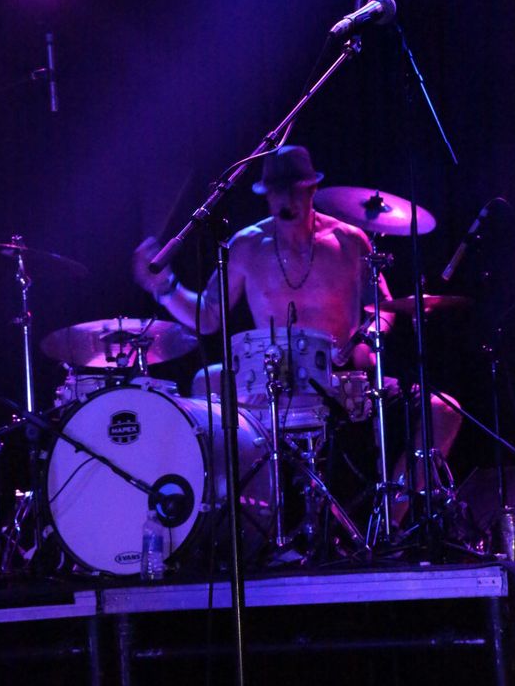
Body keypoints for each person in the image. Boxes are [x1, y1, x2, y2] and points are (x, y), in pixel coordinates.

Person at [133, 145, 461, 527]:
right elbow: (208, 315)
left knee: (443, 410)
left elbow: (383, 310)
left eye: (295, 191)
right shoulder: (246, 245)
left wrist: (366, 336)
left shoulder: (349, 240)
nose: (286, 200)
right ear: (265, 194)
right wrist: (165, 288)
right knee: (205, 381)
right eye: (277, 192)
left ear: (311, 189)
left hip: (340, 380)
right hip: (271, 382)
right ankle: (232, 527)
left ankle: (389, 520)